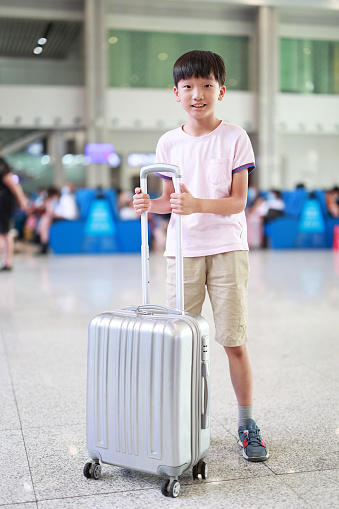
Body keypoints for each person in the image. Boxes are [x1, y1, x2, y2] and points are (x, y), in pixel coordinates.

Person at [133, 50, 269, 462]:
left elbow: (237, 203)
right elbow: (170, 201)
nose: (198, 94)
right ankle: (178, 421)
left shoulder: (234, 137)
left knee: (233, 340)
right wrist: (148, 203)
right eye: (188, 86)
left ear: (221, 91)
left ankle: (247, 424)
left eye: (207, 85)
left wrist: (197, 206)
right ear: (176, 93)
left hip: (228, 249)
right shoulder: (168, 142)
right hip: (182, 252)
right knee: (181, 342)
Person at [0, 139, 28, 270]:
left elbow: (11, 182)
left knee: (4, 232)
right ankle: (7, 262)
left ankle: (8, 263)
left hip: (4, 201)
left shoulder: (1, 163)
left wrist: (21, 199)